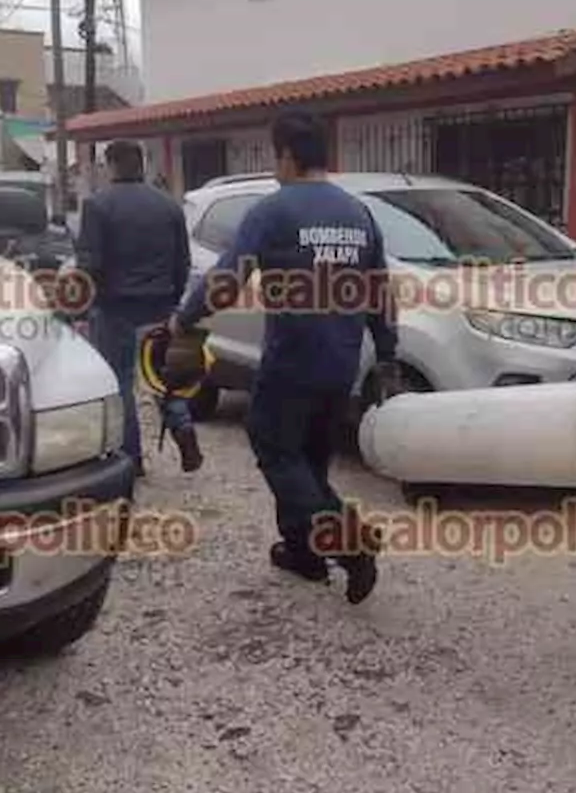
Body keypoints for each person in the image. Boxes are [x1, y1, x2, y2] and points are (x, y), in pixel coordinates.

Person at [169, 108, 402, 604]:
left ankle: (347, 541)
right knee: (308, 462)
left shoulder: (274, 211)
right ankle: (304, 553)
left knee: (273, 444)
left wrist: (184, 319)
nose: (276, 166)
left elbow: (227, 281)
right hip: (341, 363)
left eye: (276, 156)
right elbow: (381, 292)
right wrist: (386, 356)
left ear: (289, 157)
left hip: (292, 361)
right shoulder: (357, 214)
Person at [76, 140, 202, 480]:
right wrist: (173, 302)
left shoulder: (97, 206)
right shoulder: (169, 207)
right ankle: (183, 428)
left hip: (114, 307)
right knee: (160, 377)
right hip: (160, 304)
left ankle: (132, 460)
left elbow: (90, 264)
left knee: (121, 383)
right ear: (141, 164)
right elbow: (183, 262)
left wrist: (83, 304)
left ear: (111, 165)